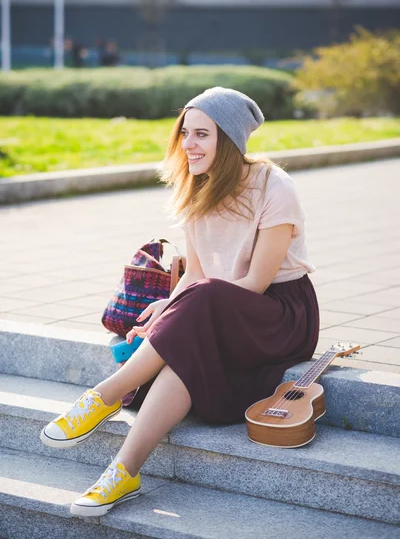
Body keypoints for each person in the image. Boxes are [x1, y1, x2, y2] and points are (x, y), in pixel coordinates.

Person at [40, 86, 319, 517]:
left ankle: (106, 395)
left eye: (202, 134)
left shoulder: (273, 185)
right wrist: (172, 307)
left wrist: (183, 311)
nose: (188, 144)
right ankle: (124, 472)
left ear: (229, 139)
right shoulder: (196, 187)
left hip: (277, 315)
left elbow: (256, 282)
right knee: (182, 353)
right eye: (185, 133)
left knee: (196, 311)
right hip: (217, 308)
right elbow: (196, 273)